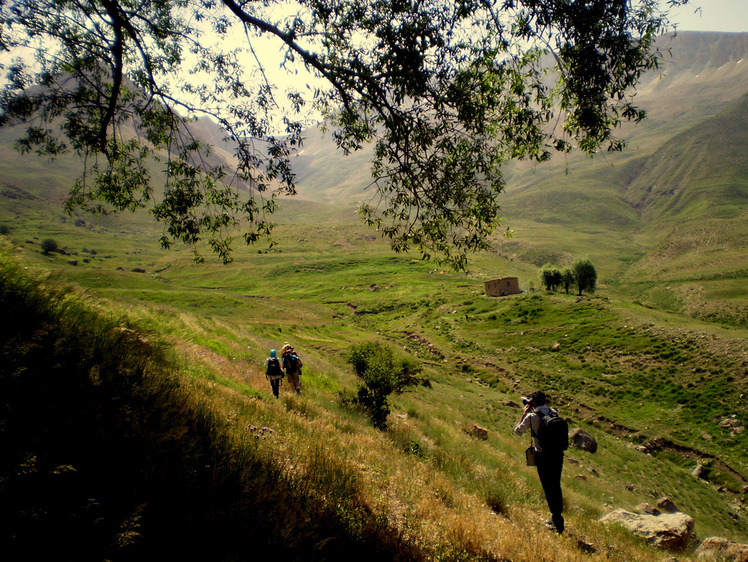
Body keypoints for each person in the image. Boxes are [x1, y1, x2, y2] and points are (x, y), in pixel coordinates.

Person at [514, 390, 565, 534]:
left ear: (534, 403)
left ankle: (556, 520)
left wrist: (524, 414)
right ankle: (557, 516)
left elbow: (518, 431)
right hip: (558, 455)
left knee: (548, 487)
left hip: (543, 456)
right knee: (556, 485)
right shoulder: (553, 412)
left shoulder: (532, 416)